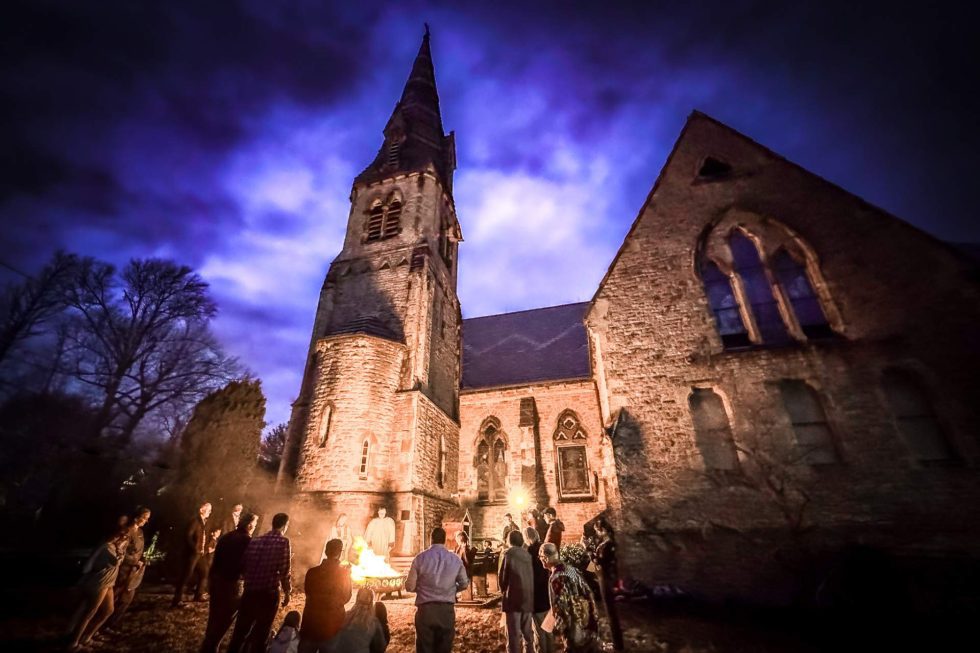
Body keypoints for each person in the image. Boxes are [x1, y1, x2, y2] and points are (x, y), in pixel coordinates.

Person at [228, 512, 292, 653]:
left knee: (240, 633)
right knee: (261, 632)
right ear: (285, 526)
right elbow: (284, 570)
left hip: (250, 593)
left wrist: (251, 579)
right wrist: (287, 592)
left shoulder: (255, 540)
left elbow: (243, 564)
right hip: (268, 595)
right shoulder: (283, 542)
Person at [200, 512, 258, 653]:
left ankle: (207, 646)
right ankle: (211, 647)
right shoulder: (247, 541)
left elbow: (216, 560)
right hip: (232, 584)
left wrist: (211, 579)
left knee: (214, 617)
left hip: (217, 581)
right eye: (255, 523)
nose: (255, 526)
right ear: (250, 524)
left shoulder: (226, 537)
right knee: (225, 619)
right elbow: (247, 565)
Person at [405, 527, 469, 653]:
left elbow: (409, 586)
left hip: (425, 611)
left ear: (431, 539)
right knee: (444, 648)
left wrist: (422, 588)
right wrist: (451, 589)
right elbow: (464, 583)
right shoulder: (455, 559)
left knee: (425, 648)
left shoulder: (420, 558)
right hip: (446, 611)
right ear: (444, 540)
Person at [66, 523, 129, 651]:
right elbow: (116, 562)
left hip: (109, 583)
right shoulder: (106, 548)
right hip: (99, 582)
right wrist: (120, 548)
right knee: (90, 613)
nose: (124, 538)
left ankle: (87, 637)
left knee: (108, 610)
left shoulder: (114, 547)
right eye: (122, 535)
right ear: (115, 534)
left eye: (125, 536)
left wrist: (121, 548)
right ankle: (73, 643)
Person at [539, 543, 599, 653]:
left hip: (574, 624)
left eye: (541, 557)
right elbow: (586, 590)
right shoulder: (570, 568)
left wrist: (560, 627)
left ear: (546, 558)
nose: (540, 560)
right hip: (585, 617)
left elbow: (561, 606)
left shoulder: (556, 578)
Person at [300, 538, 352, 652]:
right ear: (339, 554)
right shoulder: (343, 574)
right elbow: (346, 596)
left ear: (326, 552)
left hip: (310, 622)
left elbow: (308, 592)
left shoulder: (312, 572)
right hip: (331, 625)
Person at [104, 506, 151, 631]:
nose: (146, 521)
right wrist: (134, 561)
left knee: (127, 598)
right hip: (123, 570)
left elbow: (139, 550)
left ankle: (112, 624)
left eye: (147, 519)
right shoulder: (127, 531)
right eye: (144, 517)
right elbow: (120, 552)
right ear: (137, 517)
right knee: (115, 596)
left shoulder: (140, 532)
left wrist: (142, 559)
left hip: (134, 571)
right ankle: (103, 624)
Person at [499, 529, 534, 653]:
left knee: (513, 635)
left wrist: (503, 591)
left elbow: (502, 577)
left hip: (513, 598)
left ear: (509, 540)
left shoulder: (508, 554)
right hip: (528, 598)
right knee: (528, 634)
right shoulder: (528, 555)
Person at [173, 501, 212, 607]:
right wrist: (194, 548)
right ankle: (177, 600)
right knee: (186, 576)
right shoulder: (195, 521)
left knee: (204, 572)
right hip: (193, 553)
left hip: (200, 553)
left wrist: (205, 547)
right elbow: (188, 536)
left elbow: (203, 537)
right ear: (201, 510)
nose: (210, 512)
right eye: (208, 509)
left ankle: (199, 595)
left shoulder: (203, 522)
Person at [324, 587, 387, 653]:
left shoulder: (345, 616)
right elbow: (380, 646)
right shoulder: (374, 622)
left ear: (357, 598)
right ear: (371, 601)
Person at [592, 520, 623, 651]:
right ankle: (617, 643)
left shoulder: (608, 544)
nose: (597, 533)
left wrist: (592, 555)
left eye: (597, 531)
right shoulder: (606, 544)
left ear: (603, 530)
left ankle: (618, 645)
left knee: (611, 613)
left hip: (606, 579)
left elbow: (602, 562)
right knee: (609, 611)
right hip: (603, 578)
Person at [525, 527, 554, 653]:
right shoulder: (545, 548)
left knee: (538, 630)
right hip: (548, 593)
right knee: (548, 629)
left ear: (526, 538)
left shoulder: (529, 552)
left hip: (535, 595)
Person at [453, 531, 476, 600]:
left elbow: (467, 562)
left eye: (457, 539)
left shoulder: (464, 548)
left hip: (465, 571)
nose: (456, 541)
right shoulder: (460, 547)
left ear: (460, 539)